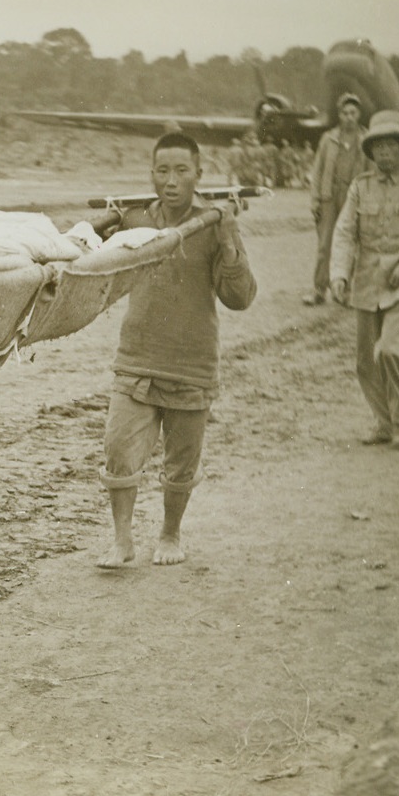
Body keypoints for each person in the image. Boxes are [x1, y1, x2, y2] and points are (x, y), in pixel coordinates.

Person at [96, 131, 257, 568]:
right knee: (118, 449)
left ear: (198, 175)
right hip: (136, 357)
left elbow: (241, 298)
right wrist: (103, 226)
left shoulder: (215, 223)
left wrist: (228, 239)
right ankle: (122, 540)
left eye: (181, 171)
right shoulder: (135, 220)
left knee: (182, 463)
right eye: (162, 170)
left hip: (192, 363)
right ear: (151, 174)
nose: (171, 180)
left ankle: (170, 534)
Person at [330, 110, 399, 451]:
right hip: (366, 280)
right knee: (366, 362)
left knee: (391, 351)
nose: (384, 151)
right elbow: (345, 232)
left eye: (391, 145)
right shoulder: (360, 186)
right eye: (378, 145)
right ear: (371, 150)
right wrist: (339, 274)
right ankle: (383, 422)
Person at [303, 92, 367, 306]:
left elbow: (371, 172)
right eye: (345, 113)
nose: (349, 117)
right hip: (329, 196)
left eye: (353, 113)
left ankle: (345, 291)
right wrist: (315, 199)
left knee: (349, 244)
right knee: (325, 244)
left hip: (354, 197)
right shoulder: (328, 139)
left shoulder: (365, 140)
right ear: (339, 115)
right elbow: (318, 171)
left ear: (359, 115)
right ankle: (319, 290)